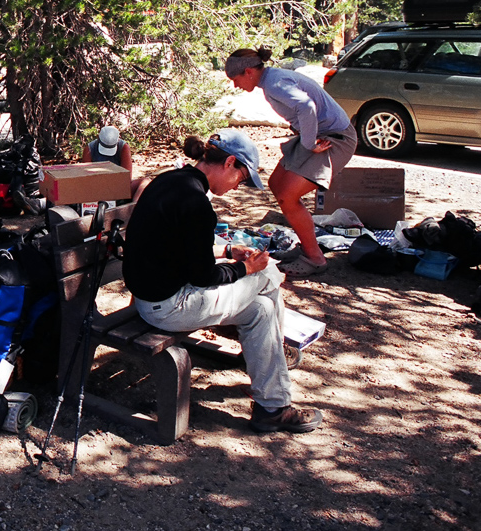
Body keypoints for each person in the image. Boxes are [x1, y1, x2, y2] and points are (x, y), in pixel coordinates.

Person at [122, 130, 323, 434]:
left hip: (151, 296)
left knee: (262, 310)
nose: (237, 186)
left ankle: (272, 406)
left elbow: (180, 249)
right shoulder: (195, 202)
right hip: (168, 307)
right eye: (241, 178)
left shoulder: (171, 180)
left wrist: (228, 251)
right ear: (229, 162)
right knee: (269, 273)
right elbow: (203, 276)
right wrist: (245, 268)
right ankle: (275, 354)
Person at [225, 47, 357, 276]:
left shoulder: (274, 83)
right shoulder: (271, 80)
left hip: (335, 139)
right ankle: (306, 244)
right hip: (317, 135)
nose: (235, 85)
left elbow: (307, 106)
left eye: (235, 79)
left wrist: (309, 144)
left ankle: (315, 258)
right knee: (276, 184)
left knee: (288, 195)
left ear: (248, 72)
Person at [80, 124, 149, 201]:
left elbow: (127, 176)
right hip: (96, 188)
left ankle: (135, 204)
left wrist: (115, 187)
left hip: (119, 187)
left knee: (146, 182)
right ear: (98, 138)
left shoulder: (123, 147)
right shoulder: (90, 148)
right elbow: (87, 178)